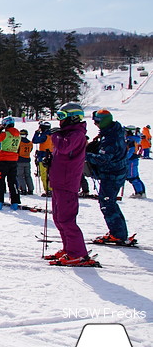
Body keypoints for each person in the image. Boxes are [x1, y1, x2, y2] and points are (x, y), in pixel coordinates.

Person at [45, 103, 99, 266]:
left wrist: (55, 136)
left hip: (67, 183)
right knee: (58, 218)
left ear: (73, 117)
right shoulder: (68, 134)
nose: (60, 121)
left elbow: (64, 147)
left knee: (66, 219)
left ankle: (78, 253)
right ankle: (69, 248)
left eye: (62, 116)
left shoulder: (76, 134)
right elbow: (63, 154)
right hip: (60, 181)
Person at [86, 109, 131, 244]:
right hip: (115, 172)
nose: (95, 124)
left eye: (97, 122)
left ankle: (118, 234)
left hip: (112, 175)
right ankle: (119, 232)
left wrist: (84, 155)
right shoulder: (113, 132)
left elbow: (103, 158)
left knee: (107, 204)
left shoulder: (110, 138)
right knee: (109, 203)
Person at [0, 116, 21, 210]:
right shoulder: (18, 134)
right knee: (13, 181)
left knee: (0, 181)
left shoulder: (5, 134)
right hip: (14, 159)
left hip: (4, 159)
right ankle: (15, 202)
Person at [124, 126, 146, 198]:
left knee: (133, 177)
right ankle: (141, 192)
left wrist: (125, 158)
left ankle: (139, 193)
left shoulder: (131, 140)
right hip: (133, 160)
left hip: (131, 160)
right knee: (135, 177)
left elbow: (131, 151)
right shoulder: (135, 139)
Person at [32, 122, 54, 196]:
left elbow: (35, 140)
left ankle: (48, 190)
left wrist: (37, 132)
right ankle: (51, 189)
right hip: (51, 156)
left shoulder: (44, 136)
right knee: (51, 174)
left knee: (44, 174)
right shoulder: (52, 135)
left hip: (43, 156)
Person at [16, 129, 34, 195]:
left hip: (19, 160)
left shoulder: (19, 142)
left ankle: (23, 189)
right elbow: (31, 150)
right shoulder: (30, 143)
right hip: (27, 160)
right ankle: (31, 189)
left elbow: (16, 150)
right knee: (28, 175)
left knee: (20, 176)